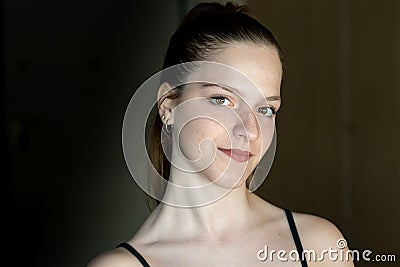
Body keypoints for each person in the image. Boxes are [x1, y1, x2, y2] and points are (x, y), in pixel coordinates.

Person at [88, 2, 354, 266]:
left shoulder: (318, 246)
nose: (250, 131)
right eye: (222, 100)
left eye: (266, 109)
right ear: (168, 104)